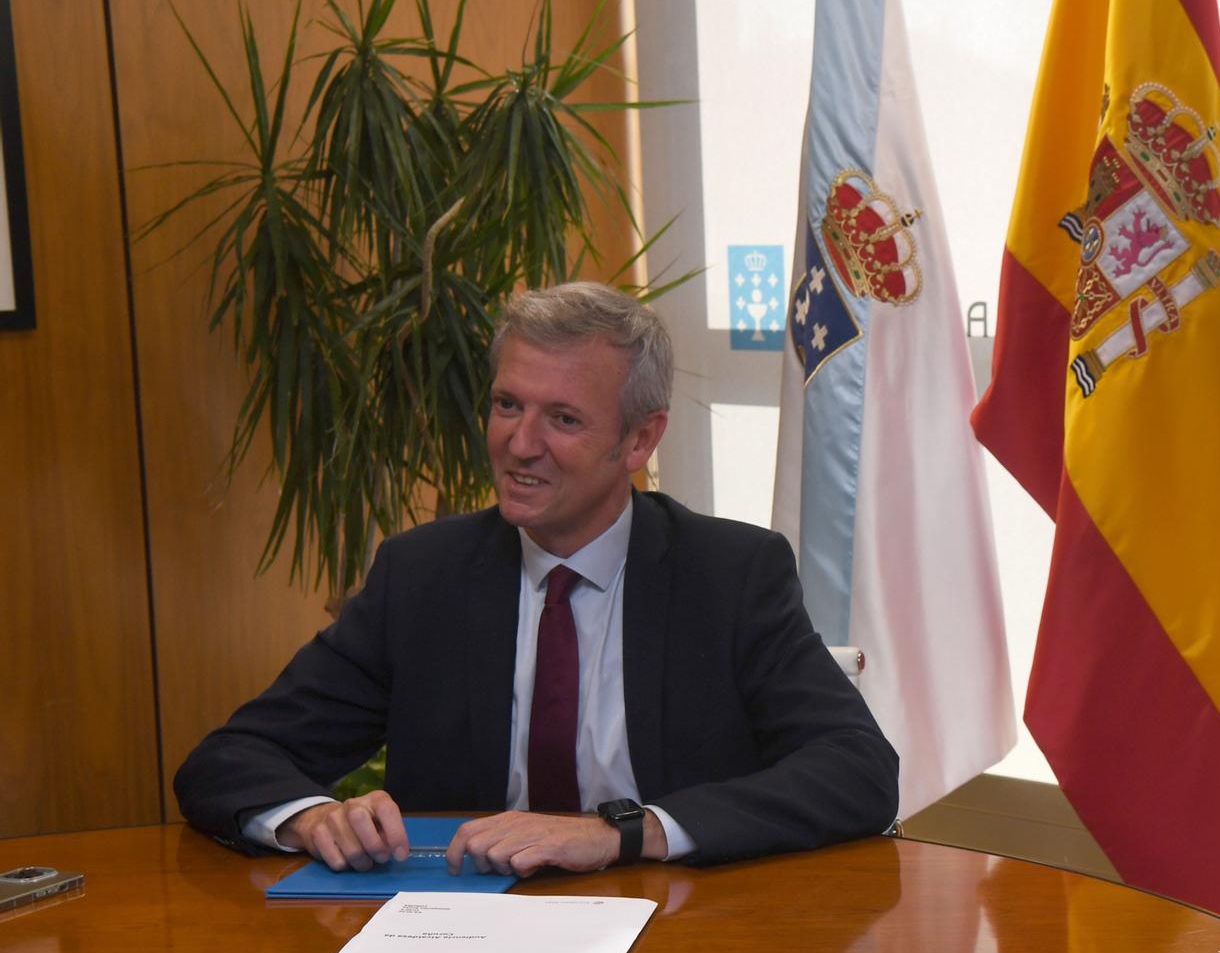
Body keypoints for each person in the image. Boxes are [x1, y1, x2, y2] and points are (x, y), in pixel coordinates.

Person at [175, 282, 898, 876]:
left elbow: (860, 770)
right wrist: (313, 817)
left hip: (677, 948)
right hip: (459, 948)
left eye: (562, 418)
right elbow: (230, 759)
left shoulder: (731, 575)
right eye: (507, 405)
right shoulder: (423, 576)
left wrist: (627, 830)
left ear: (640, 438)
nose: (520, 444)